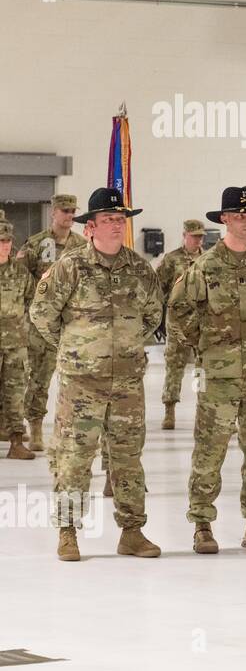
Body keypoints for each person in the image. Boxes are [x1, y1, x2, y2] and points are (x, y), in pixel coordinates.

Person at [28, 188, 164, 562]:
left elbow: (154, 314)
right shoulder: (70, 268)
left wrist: (126, 345)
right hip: (81, 383)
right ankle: (68, 532)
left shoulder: (139, 268)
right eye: (109, 219)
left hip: (127, 384)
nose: (117, 225)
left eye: (121, 219)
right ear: (91, 227)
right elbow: (42, 314)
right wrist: (76, 347)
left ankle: (132, 531)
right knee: (74, 457)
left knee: (127, 458)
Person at [168, 187, 246, 553]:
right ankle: (202, 524)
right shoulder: (205, 266)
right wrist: (207, 344)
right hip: (218, 375)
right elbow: (178, 311)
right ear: (223, 219)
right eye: (239, 216)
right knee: (210, 449)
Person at [19, 193, 85, 452]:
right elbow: (21, 280)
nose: (69, 216)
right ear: (53, 213)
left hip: (73, 323)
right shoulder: (35, 244)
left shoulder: (82, 245)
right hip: (43, 325)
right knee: (39, 376)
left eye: (72, 211)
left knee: (79, 378)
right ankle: (35, 424)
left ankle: (75, 428)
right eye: (65, 211)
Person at [155, 219, 206, 430]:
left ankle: (202, 409)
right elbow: (158, 287)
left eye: (200, 236)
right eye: (194, 236)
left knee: (202, 368)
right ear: (184, 235)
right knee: (174, 366)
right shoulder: (171, 259)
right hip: (177, 322)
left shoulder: (208, 259)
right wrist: (160, 317)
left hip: (202, 322)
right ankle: (170, 409)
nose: (197, 240)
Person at [0, 221, 35, 459]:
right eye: (0, 241)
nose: (4, 246)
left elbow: (33, 302)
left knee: (15, 395)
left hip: (15, 344)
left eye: (7, 241)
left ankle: (16, 442)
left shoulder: (20, 272)